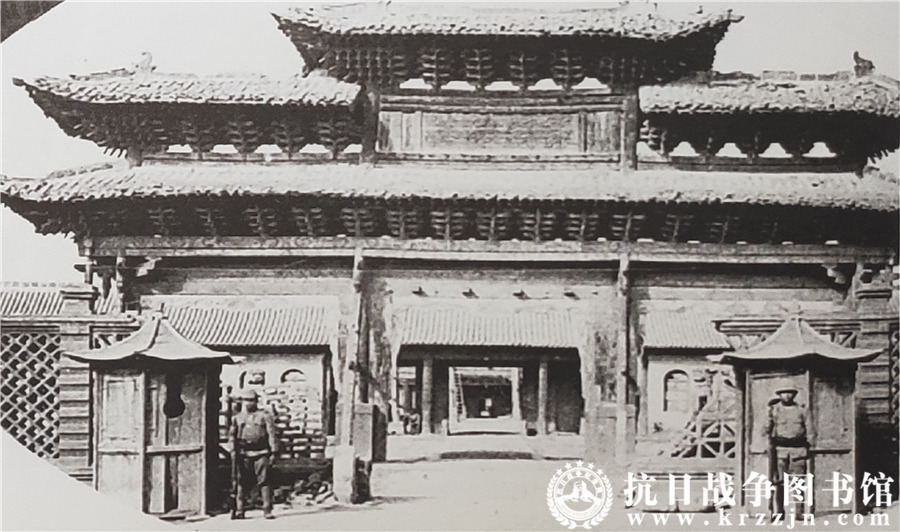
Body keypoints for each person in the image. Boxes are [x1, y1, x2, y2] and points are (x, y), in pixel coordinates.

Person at [230, 389, 278, 519]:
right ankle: (240, 509)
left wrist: (273, 451)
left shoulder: (264, 416)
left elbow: (271, 434)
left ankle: (267, 509)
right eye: (246, 400)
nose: (249, 403)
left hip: (261, 452)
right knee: (241, 481)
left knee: (264, 480)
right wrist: (232, 450)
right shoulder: (237, 418)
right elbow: (232, 436)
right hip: (244, 453)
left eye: (252, 400)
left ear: (256, 401)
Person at [766, 387, 808, 515]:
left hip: (798, 451)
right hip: (780, 451)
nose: (787, 395)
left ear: (794, 394)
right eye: (783, 393)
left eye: (790, 393)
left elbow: (810, 429)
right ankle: (779, 510)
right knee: (779, 482)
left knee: (799, 482)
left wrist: (809, 447)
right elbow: (766, 430)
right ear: (779, 394)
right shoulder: (774, 410)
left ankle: (799, 512)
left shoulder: (801, 410)